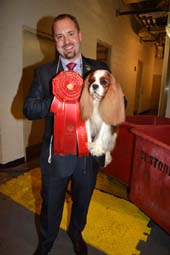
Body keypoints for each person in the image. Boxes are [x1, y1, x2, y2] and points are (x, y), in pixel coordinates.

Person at [24, 13, 109, 255]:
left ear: (80, 35)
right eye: (59, 36)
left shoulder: (100, 69)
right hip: (56, 155)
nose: (66, 41)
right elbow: (29, 108)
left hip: (88, 155)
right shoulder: (43, 73)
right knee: (51, 204)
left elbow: (118, 101)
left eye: (70, 33)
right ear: (54, 41)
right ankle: (46, 242)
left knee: (82, 202)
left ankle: (76, 233)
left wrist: (101, 100)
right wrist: (57, 98)